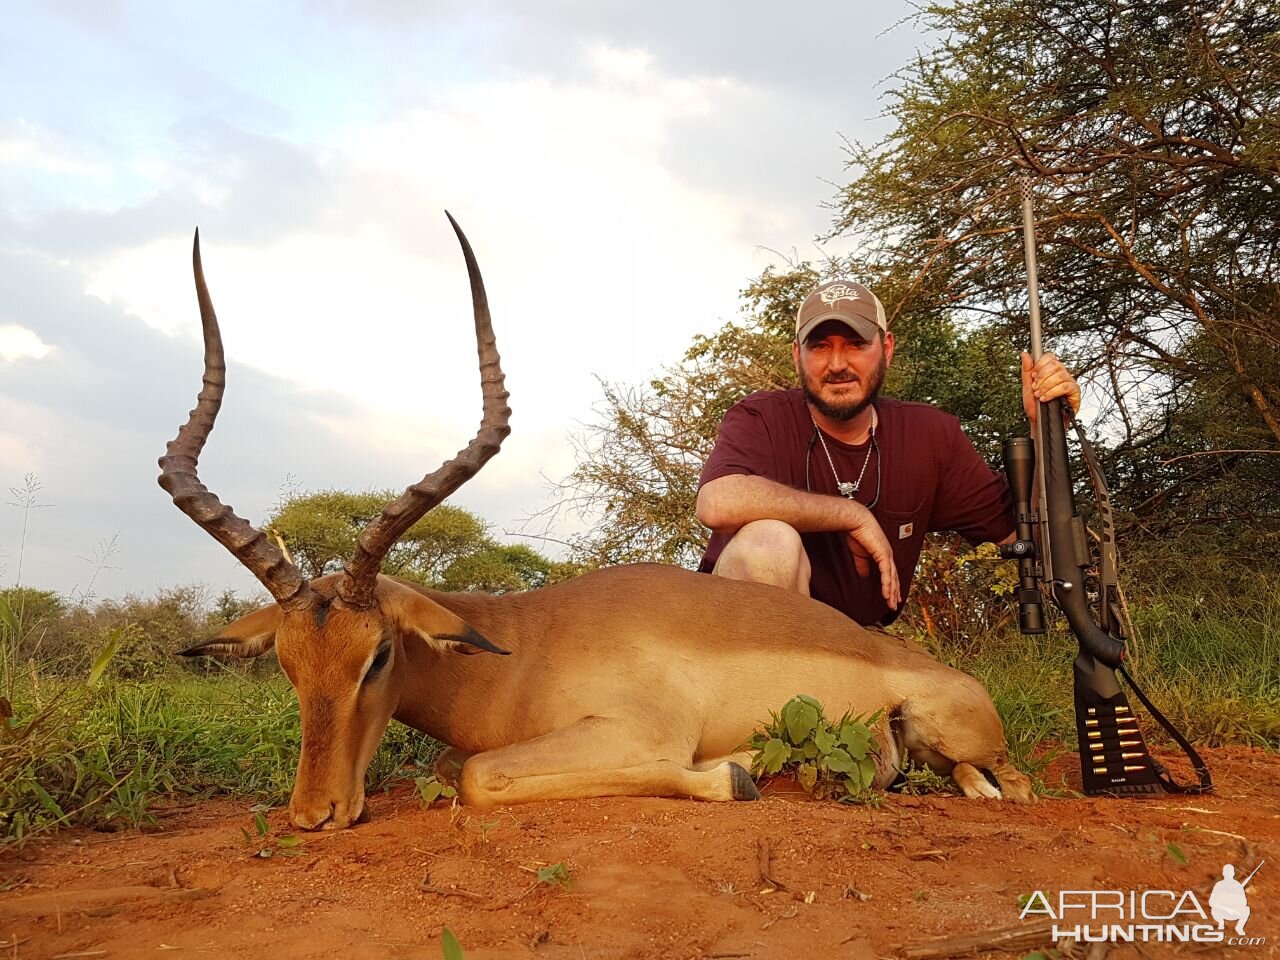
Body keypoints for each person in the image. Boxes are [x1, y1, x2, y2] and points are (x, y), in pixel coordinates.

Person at [696, 278, 1081, 627]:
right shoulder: (761, 416)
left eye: (856, 344)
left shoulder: (930, 434)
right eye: (820, 347)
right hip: (746, 641)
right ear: (797, 355)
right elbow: (717, 502)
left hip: (858, 642)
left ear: (887, 348)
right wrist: (850, 514)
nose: (837, 364)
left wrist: (1046, 428)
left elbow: (1021, 529)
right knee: (768, 543)